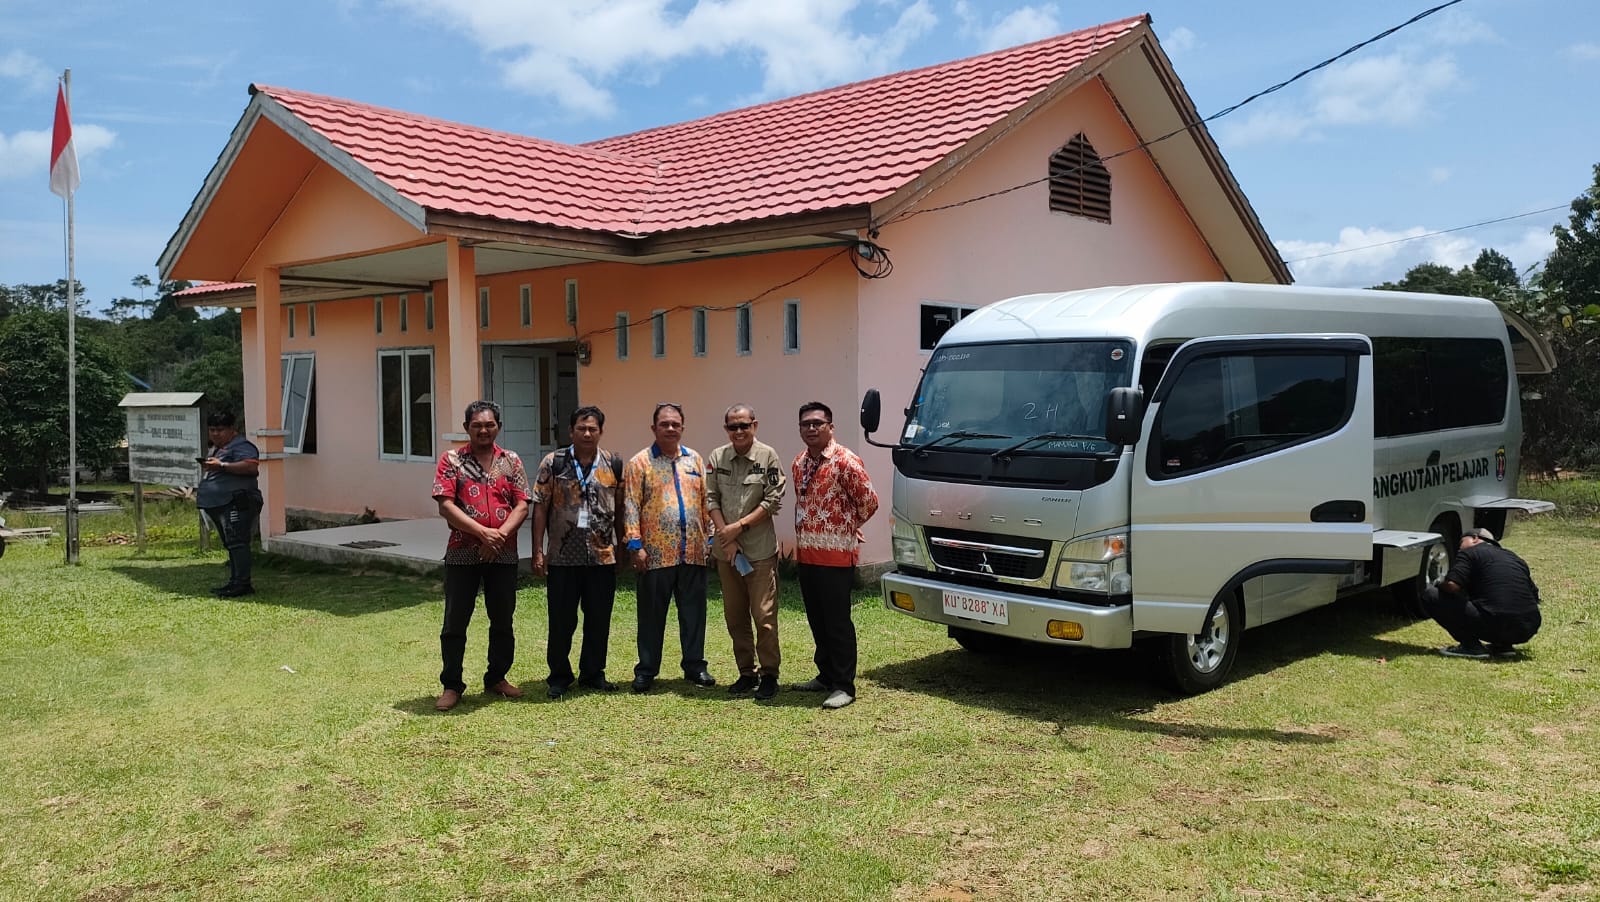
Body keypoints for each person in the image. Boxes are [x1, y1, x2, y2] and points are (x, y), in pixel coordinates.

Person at [431, 400, 531, 712]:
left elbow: (522, 504)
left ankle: (497, 678)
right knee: (455, 621)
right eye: (477, 425)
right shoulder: (451, 460)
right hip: (463, 552)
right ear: (467, 428)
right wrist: (482, 533)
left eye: (489, 425)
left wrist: (497, 536)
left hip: (503, 554)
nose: (484, 430)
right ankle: (452, 684)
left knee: (502, 618)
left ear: (498, 426)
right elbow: (445, 504)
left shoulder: (511, 461)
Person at [530, 406, 625, 699]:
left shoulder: (613, 463)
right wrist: (537, 551)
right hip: (562, 557)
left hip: (602, 556)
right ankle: (559, 677)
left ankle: (593, 673)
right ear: (571, 431)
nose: (587, 433)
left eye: (592, 429)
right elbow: (540, 507)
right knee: (561, 620)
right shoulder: (554, 462)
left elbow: (620, 507)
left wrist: (622, 546)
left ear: (600, 432)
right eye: (581, 428)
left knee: (598, 619)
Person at [790, 401, 879, 710]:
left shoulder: (845, 461)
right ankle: (825, 675)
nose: (811, 428)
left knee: (837, 622)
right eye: (806, 424)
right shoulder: (799, 462)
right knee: (817, 620)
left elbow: (869, 500)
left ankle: (844, 685)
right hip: (807, 555)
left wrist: (848, 524)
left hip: (836, 557)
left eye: (818, 423)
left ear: (830, 427)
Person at [623, 402, 715, 693]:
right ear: (654, 428)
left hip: (693, 552)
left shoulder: (695, 460)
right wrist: (635, 544)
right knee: (651, 615)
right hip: (654, 554)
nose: (671, 428)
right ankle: (647, 670)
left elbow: (705, 502)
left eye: (676, 424)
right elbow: (630, 506)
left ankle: (695, 666)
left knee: (694, 614)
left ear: (683, 427)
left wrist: (709, 539)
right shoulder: (640, 463)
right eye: (665, 424)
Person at [706, 404, 787, 701]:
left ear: (755, 425)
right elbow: (711, 498)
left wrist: (737, 528)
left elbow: (772, 501)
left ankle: (769, 674)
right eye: (733, 427)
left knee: (764, 615)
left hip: (759, 551)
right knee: (735, 616)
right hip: (728, 553)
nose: (739, 431)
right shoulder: (717, 457)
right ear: (726, 429)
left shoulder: (768, 456)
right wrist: (726, 538)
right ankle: (746, 672)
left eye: (744, 425)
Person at [1425, 526, 1541, 659]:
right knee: (1497, 600)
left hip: (1495, 624)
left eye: (1461, 542)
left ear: (1475, 539)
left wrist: (1438, 583)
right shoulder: (1514, 558)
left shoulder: (1469, 553)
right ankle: (1503, 646)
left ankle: (1471, 647)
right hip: (1527, 627)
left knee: (1430, 594)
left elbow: (1452, 586)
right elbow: (1534, 595)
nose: (1459, 548)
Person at [198, 411, 263, 598]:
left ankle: (242, 584)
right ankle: (234, 582)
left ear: (231, 430)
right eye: (212, 430)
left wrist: (223, 466)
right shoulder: (217, 448)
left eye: (220, 430)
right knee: (231, 544)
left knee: (238, 543)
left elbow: (251, 466)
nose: (215, 434)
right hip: (219, 503)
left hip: (236, 502)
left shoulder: (241, 446)